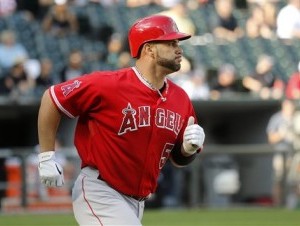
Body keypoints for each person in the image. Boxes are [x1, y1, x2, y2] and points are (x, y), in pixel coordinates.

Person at [37, 15, 205, 225]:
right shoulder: (108, 84)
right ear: (149, 49)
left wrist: (188, 149)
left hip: (137, 202)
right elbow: (52, 98)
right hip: (101, 190)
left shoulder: (181, 99)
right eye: (171, 43)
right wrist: (46, 156)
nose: (178, 49)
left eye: (178, 43)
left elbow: (178, 159)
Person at [266, 98, 296, 207]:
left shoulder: (296, 117)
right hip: (280, 153)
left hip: (295, 153)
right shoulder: (277, 118)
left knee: (295, 180)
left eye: (291, 106)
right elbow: (271, 139)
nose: (289, 108)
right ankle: (277, 205)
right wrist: (281, 134)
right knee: (278, 179)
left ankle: (294, 205)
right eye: (287, 106)